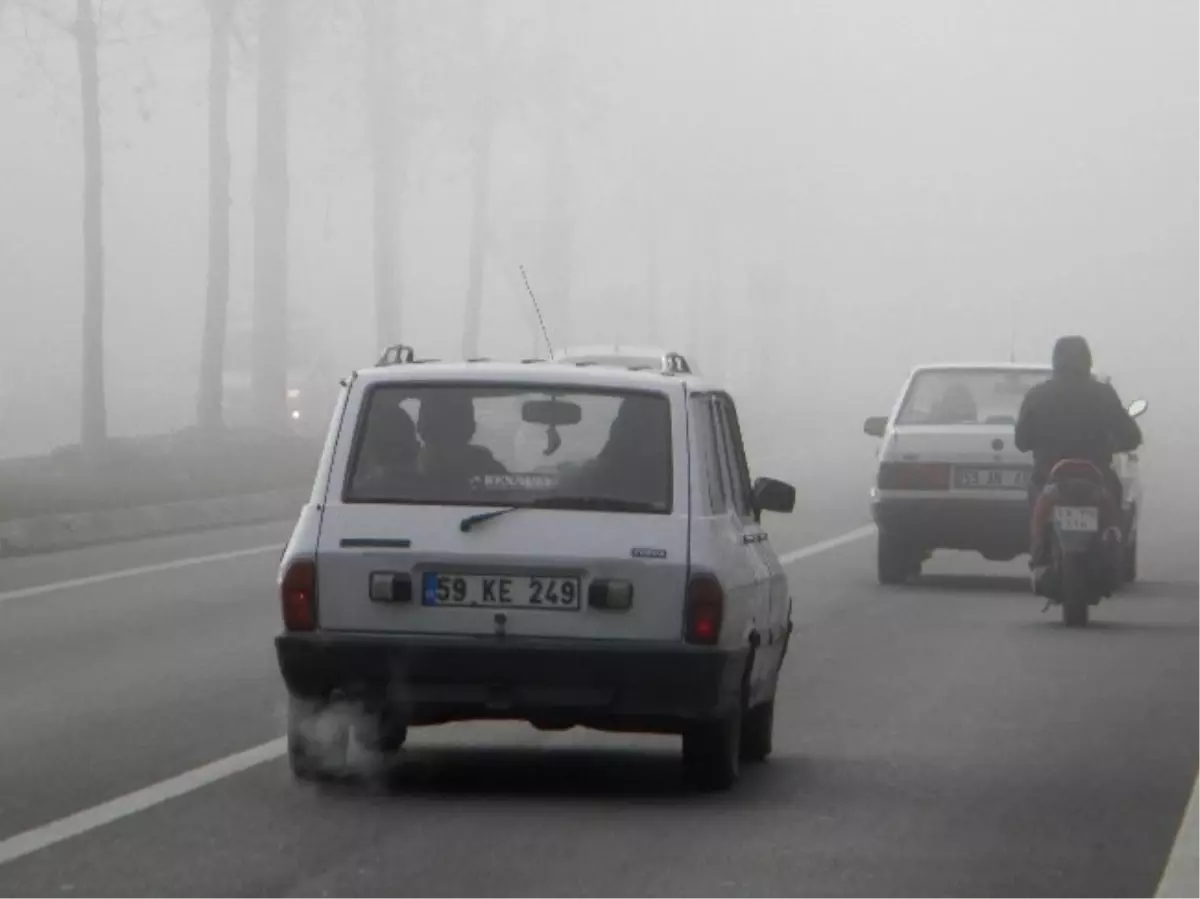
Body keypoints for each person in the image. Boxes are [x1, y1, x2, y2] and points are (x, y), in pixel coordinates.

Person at [1015, 336, 1143, 565]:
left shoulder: (1037, 395)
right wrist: (1115, 444)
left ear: (1055, 361)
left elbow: (1021, 441)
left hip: (1048, 475)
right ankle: (1113, 542)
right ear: (1087, 360)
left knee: (1034, 493)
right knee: (1116, 502)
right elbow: (1132, 436)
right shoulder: (1104, 393)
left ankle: (1039, 547)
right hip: (1098, 475)